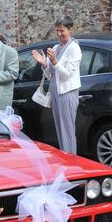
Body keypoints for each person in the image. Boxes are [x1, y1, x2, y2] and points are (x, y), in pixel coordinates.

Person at [31, 16, 82, 154]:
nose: (59, 34)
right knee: (59, 130)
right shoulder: (56, 47)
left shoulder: (74, 48)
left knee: (68, 131)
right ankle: (66, 158)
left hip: (67, 94)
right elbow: (51, 75)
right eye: (57, 31)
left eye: (62, 31)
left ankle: (71, 160)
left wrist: (54, 61)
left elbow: (66, 74)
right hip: (56, 93)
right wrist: (43, 64)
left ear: (70, 30)